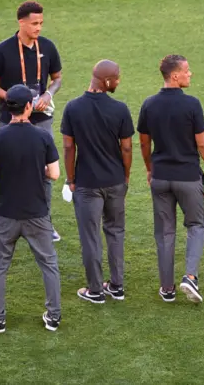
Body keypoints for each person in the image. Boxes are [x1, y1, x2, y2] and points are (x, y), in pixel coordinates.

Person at [0, 84, 62, 333]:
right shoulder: (43, 136)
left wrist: (0, 170)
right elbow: (55, 174)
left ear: (8, 108)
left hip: (5, 212)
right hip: (36, 213)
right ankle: (54, 315)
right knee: (48, 264)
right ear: (29, 107)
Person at [137, 54, 204, 303]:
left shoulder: (149, 104)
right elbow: (202, 142)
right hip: (188, 178)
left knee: (165, 233)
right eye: (187, 70)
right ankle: (190, 277)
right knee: (196, 225)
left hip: (160, 177)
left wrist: (150, 168)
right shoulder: (191, 104)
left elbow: (143, 141)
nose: (190, 74)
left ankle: (167, 288)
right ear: (175, 75)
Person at [0, 0, 63, 242]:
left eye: (41, 23)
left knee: (47, 171)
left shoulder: (47, 47)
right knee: (8, 168)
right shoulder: (3, 50)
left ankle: (45, 221)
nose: (38, 27)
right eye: (34, 23)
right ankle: (3, 218)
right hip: (11, 119)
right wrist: (13, 98)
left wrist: (49, 93)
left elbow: (57, 78)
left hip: (41, 119)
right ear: (21, 22)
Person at [61, 60, 134, 304]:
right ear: (107, 81)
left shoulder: (72, 108)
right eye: (118, 77)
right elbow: (126, 148)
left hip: (87, 184)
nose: (119, 81)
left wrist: (70, 179)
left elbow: (69, 147)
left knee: (90, 237)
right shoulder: (120, 109)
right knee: (115, 233)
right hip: (114, 181)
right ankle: (117, 286)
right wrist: (125, 176)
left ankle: (95, 290)